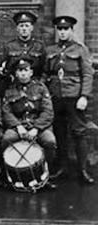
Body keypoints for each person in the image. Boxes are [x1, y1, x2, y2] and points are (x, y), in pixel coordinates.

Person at [45, 16, 94, 184]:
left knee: (79, 132)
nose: (63, 32)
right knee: (59, 133)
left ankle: (83, 170)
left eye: (66, 29)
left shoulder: (80, 49)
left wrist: (84, 96)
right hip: (55, 97)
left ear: (72, 30)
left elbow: (87, 74)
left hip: (74, 96)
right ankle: (62, 168)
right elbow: (46, 74)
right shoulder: (51, 49)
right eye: (60, 29)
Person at [1, 57, 57, 190]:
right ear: (15, 74)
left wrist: (36, 128)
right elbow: (6, 112)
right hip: (18, 125)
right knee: (6, 139)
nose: (23, 74)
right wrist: (18, 126)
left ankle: (44, 175)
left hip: (38, 126)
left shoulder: (40, 88)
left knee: (50, 141)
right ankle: (9, 176)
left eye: (26, 70)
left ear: (31, 72)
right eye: (20, 71)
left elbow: (48, 112)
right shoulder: (10, 91)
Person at [0, 11, 46, 94]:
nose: (24, 28)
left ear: (32, 28)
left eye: (27, 26)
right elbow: (3, 69)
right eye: (21, 26)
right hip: (14, 87)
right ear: (17, 28)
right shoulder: (9, 46)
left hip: (34, 88)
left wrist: (39, 84)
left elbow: (44, 69)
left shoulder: (39, 46)